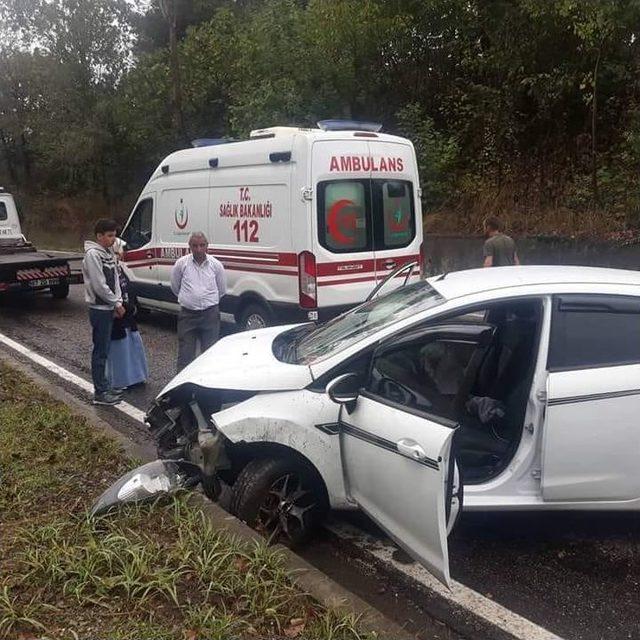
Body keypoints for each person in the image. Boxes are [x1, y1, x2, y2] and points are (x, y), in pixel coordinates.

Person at [82, 219, 125, 405]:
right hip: (99, 309)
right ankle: (100, 392)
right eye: (109, 235)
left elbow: (115, 279)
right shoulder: (93, 255)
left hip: (109, 307)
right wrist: (116, 303)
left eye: (114, 235)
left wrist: (118, 301)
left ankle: (105, 386)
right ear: (99, 236)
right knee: (100, 351)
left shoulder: (109, 253)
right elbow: (99, 285)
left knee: (106, 350)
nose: (112, 239)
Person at [171, 231, 226, 372]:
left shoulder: (216, 265)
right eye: (195, 246)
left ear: (207, 246)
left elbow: (222, 290)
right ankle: (182, 390)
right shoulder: (181, 264)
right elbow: (175, 287)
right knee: (185, 355)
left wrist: (208, 302)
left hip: (210, 315)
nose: (199, 249)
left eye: (202, 245)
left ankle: (209, 387)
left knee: (210, 354)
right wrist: (190, 299)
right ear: (190, 246)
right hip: (188, 315)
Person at [106, 239, 149, 389]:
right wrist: (115, 306)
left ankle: (135, 377)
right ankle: (121, 380)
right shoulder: (107, 267)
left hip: (126, 309)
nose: (121, 254)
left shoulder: (118, 266)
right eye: (119, 251)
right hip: (117, 310)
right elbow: (105, 289)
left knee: (132, 343)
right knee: (120, 347)